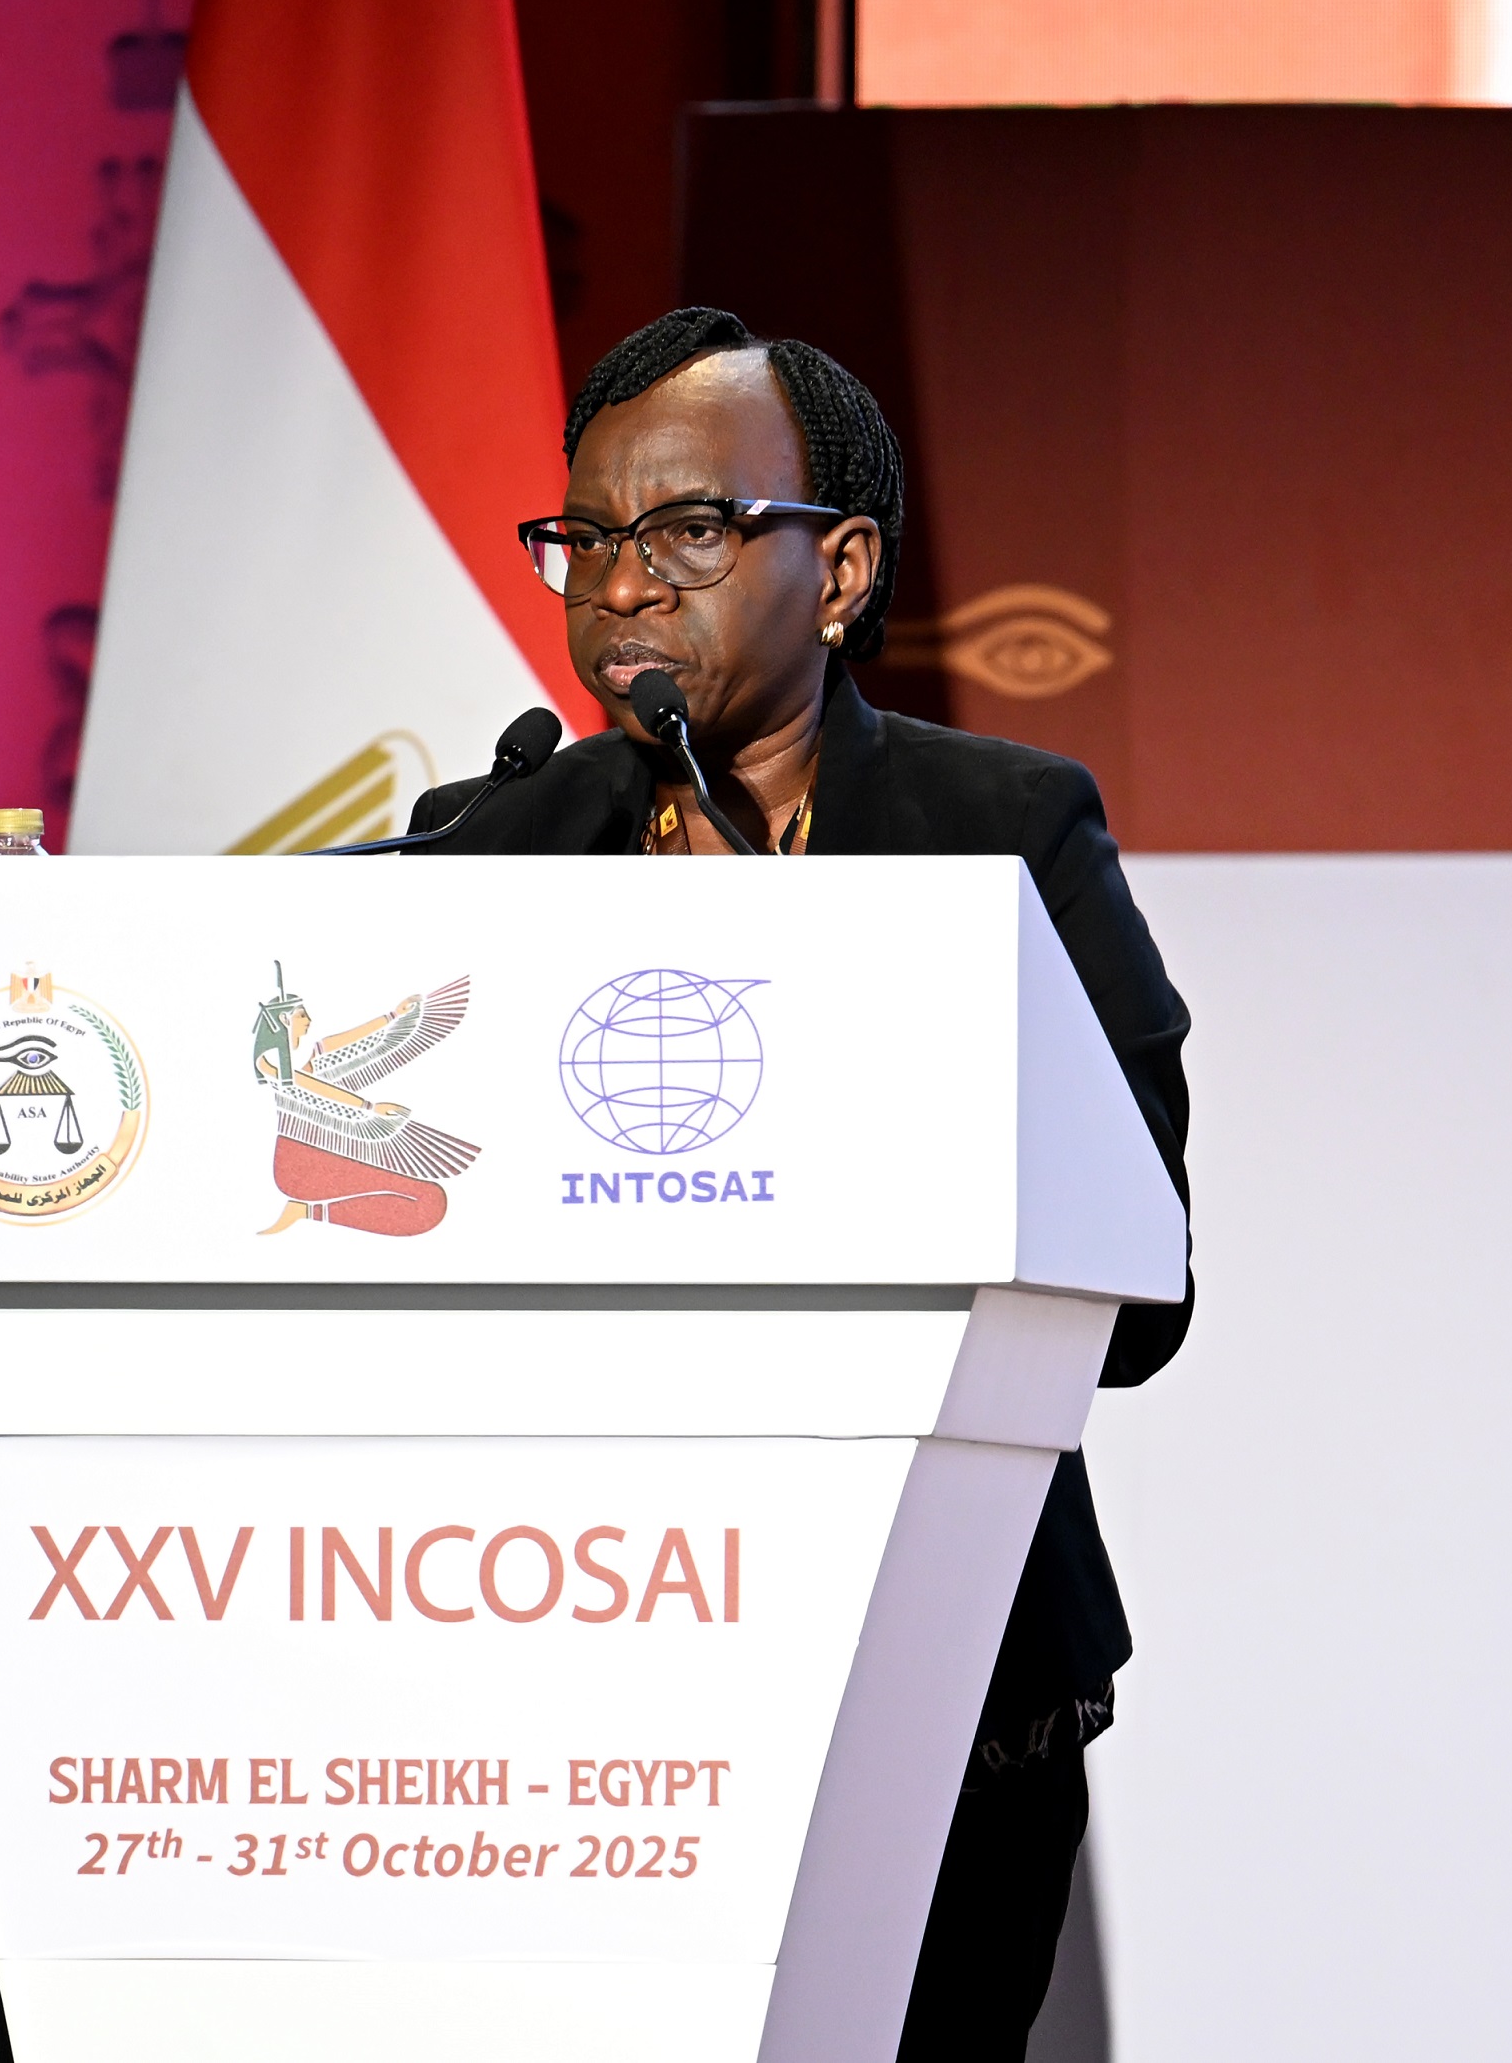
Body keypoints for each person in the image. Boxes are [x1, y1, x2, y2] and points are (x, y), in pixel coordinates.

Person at [407, 306, 1194, 2060]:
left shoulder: (1007, 832)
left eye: (689, 528)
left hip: (932, 1673)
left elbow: (1143, 1284)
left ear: (839, 570)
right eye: (586, 536)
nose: (621, 585)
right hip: (559, 1665)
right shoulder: (484, 848)